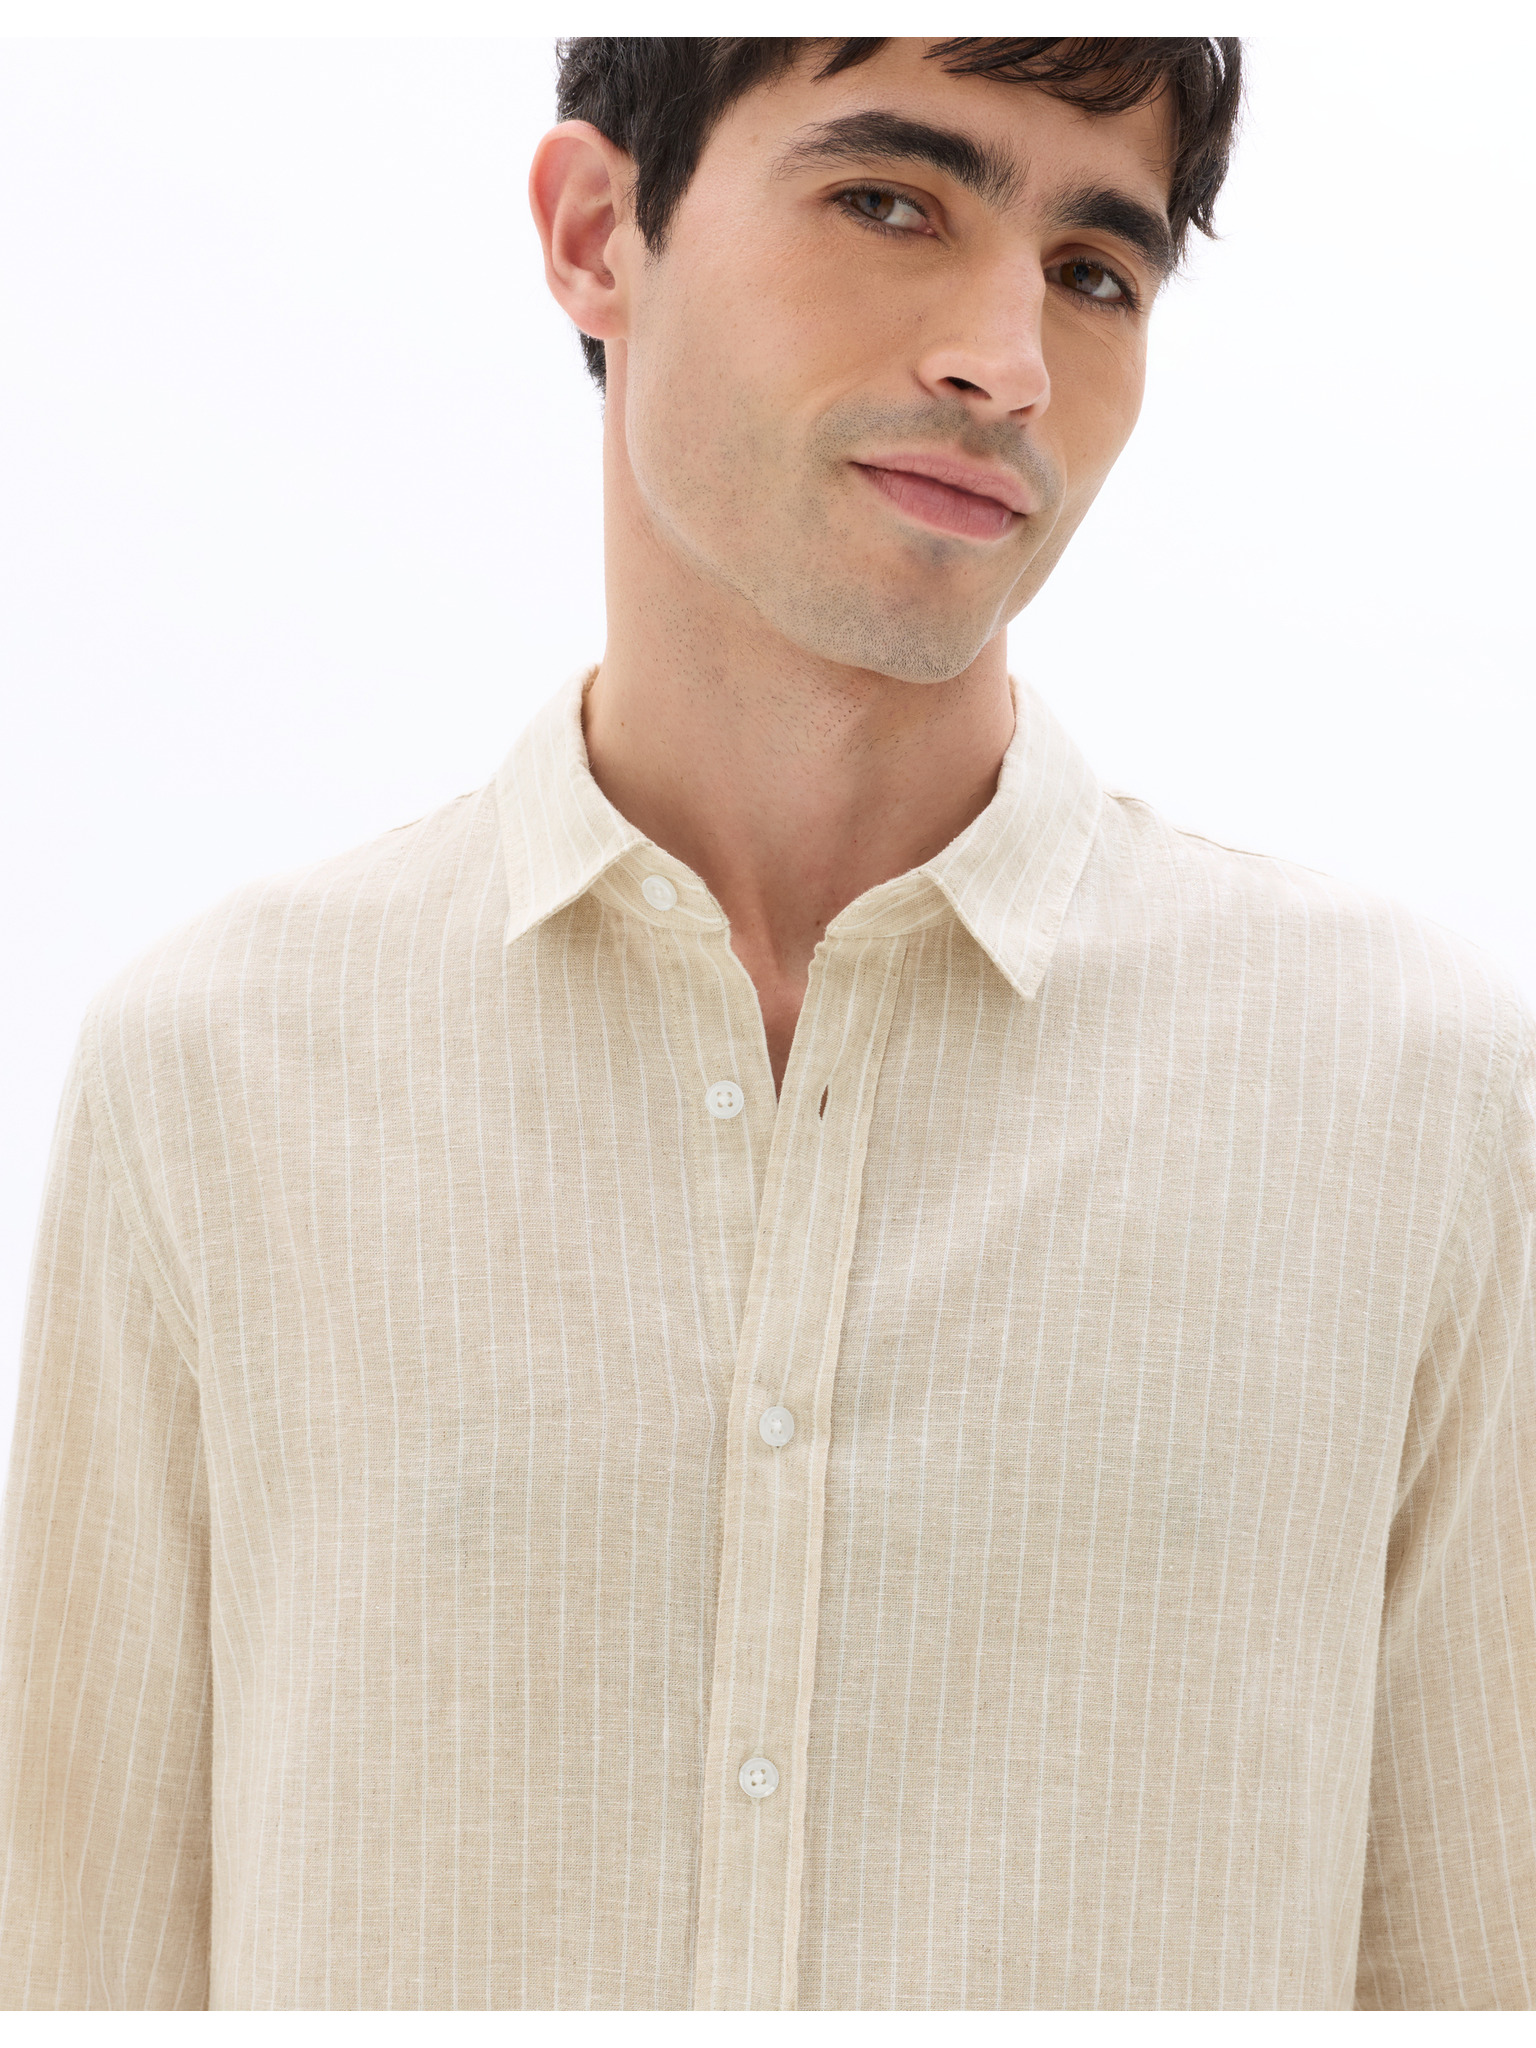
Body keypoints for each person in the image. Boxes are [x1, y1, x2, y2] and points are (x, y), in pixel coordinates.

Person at [0, 34, 1531, 2013]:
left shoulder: (1408, 1105)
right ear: (594, 234)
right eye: (891, 201)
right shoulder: (215, 1078)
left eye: (1095, 270)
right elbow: (76, 1969)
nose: (1006, 361)